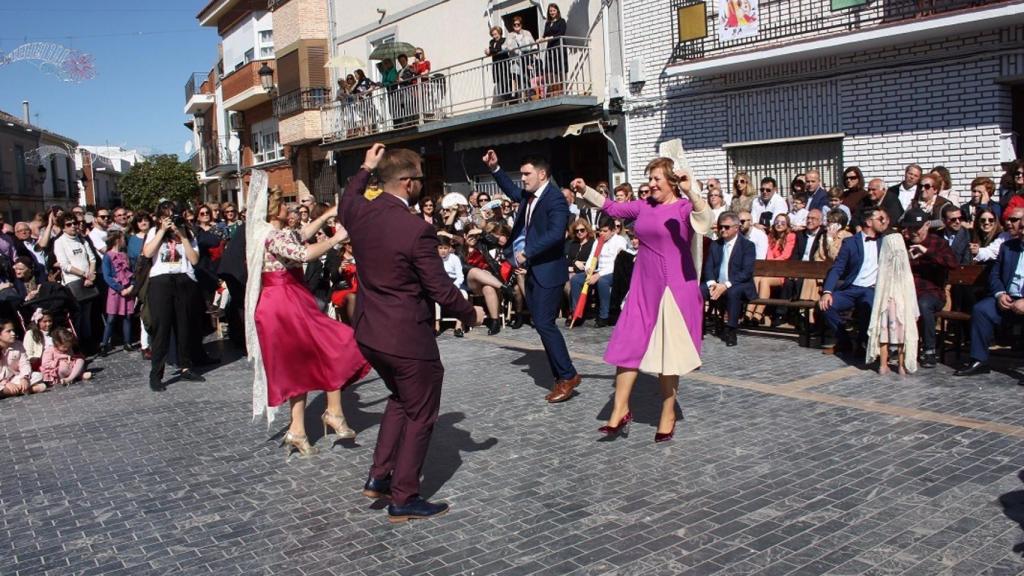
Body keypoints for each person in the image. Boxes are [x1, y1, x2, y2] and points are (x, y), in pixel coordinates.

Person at [339, 144, 482, 523]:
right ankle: (404, 496)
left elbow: (347, 200)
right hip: (406, 336)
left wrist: (365, 168)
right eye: (419, 178)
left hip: (371, 332)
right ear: (406, 183)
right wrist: (470, 313)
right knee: (421, 412)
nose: (422, 184)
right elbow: (440, 289)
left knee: (401, 398)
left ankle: (379, 475)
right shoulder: (416, 229)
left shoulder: (360, 213)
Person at [573, 157, 712, 442]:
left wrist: (692, 191)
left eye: (656, 179)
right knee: (628, 342)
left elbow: (706, 222)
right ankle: (620, 408)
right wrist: (586, 189)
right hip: (643, 286)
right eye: (649, 179)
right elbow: (612, 207)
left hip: (675, 289)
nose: (650, 184)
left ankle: (668, 412)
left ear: (672, 181)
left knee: (668, 356)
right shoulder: (643, 205)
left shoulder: (685, 207)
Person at [244, 179, 370, 457]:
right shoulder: (271, 236)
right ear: (272, 208)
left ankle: (299, 429)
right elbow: (304, 252)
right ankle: (332, 414)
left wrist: (327, 214)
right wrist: (336, 238)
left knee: (301, 364)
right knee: (336, 343)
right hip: (281, 304)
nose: (289, 208)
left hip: (290, 298)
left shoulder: (277, 231)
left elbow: (300, 235)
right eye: (284, 203)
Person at [486, 149, 581, 403]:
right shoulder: (530, 195)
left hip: (549, 271)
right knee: (541, 324)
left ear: (542, 174)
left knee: (545, 323)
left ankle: (568, 375)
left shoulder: (555, 200)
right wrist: (496, 169)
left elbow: (555, 234)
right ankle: (562, 375)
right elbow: (511, 190)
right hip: (534, 271)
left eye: (527, 174)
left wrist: (526, 252)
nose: (523, 179)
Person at [954, 206, 1024, 378]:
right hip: (1007, 298)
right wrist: (1000, 293)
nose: (1022, 231)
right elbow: (995, 275)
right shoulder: (1008, 247)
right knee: (981, 309)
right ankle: (979, 360)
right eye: (1021, 227)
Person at [142, 201, 204, 391]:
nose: (171, 220)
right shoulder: (153, 232)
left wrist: (183, 236)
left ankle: (185, 367)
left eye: (173, 215)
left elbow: (194, 259)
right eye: (166, 216)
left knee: (184, 325)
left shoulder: (188, 232)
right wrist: (162, 230)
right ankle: (156, 374)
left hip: (183, 279)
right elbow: (147, 253)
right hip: (161, 281)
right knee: (162, 329)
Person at [819, 207, 890, 355]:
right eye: (880, 219)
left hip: (872, 289)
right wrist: (827, 292)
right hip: (852, 288)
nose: (883, 222)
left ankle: (862, 343)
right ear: (869, 222)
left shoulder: (885, 241)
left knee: (867, 305)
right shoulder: (850, 242)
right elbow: (837, 268)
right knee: (826, 305)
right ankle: (844, 341)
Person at [900, 208, 957, 368]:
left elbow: (952, 264)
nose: (914, 232)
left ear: (926, 225)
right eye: (910, 228)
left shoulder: (937, 243)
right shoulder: (904, 244)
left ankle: (929, 350)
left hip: (933, 293)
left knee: (923, 305)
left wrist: (927, 252)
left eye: (917, 228)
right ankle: (894, 347)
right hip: (908, 291)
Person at [866, 233, 919, 375]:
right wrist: (914, 310)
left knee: (884, 333)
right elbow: (911, 291)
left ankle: (883, 365)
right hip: (901, 304)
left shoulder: (883, 269)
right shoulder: (905, 271)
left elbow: (879, 288)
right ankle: (901, 366)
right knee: (902, 335)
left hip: (886, 303)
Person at [703, 211, 756, 347]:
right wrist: (712, 283)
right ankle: (698, 325)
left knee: (733, 292)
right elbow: (708, 266)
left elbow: (746, 272)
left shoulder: (747, 246)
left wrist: (725, 285)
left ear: (736, 228)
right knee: (699, 290)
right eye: (721, 226)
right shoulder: (716, 244)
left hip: (738, 284)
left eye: (726, 227)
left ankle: (731, 330)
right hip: (717, 283)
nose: (722, 230)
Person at [568, 218, 628, 327]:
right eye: (600, 231)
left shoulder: (620, 241)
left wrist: (598, 275)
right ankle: (576, 313)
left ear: (613, 231)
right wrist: (588, 269)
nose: (602, 233)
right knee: (576, 280)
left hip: (613, 272)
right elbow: (592, 257)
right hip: (598, 270)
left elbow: (616, 263)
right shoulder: (598, 241)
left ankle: (603, 316)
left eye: (605, 231)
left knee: (602, 282)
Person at [53, 214, 97, 345]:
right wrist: (84, 274)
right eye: (68, 224)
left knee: (87, 314)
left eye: (74, 223)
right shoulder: (59, 242)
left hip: (88, 279)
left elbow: (92, 258)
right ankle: (77, 343)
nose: (73, 226)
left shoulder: (81, 239)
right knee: (77, 314)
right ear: (63, 227)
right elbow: (65, 265)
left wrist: (91, 274)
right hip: (73, 281)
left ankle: (89, 341)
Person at [750, 213, 796, 325]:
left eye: (782, 223)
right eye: (777, 222)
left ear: (787, 225)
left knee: (764, 280)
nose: (779, 224)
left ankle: (758, 313)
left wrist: (772, 264)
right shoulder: (770, 236)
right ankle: (749, 312)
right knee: (756, 278)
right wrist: (770, 265)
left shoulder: (791, 236)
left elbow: (785, 255)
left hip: (782, 271)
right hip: (770, 270)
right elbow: (768, 253)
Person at [99, 231, 135, 356]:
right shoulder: (108, 256)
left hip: (127, 289)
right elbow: (107, 276)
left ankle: (127, 342)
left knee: (127, 316)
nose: (124, 241)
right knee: (111, 317)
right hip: (115, 291)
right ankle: (104, 344)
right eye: (123, 238)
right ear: (117, 240)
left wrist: (131, 286)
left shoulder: (125, 255)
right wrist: (120, 288)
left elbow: (131, 272)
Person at [0, 320, 45, 397]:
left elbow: (25, 363)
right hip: (2, 382)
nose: (13, 334)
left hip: (14, 379)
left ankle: (14, 391)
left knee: (38, 375)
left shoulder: (18, 345)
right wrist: (5, 383)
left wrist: (24, 378)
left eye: (13, 330)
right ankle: (29, 390)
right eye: (8, 331)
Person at [437, 237, 468, 337]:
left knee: (464, 296)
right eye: (440, 248)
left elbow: (460, 276)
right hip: (440, 285)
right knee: (434, 298)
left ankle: (458, 326)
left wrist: (454, 287)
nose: (443, 251)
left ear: (449, 248)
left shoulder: (454, 258)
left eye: (445, 248)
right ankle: (436, 325)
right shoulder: (434, 259)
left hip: (454, 284)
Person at [540, 3, 567, 94]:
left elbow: (561, 33)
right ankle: (553, 89)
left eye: (554, 10)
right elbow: (545, 35)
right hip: (550, 48)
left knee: (559, 68)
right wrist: (541, 39)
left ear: (557, 11)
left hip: (559, 47)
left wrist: (551, 37)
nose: (552, 12)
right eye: (550, 11)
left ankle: (561, 90)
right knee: (549, 69)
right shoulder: (548, 23)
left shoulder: (561, 21)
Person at [485, 26, 511, 104]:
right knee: (499, 82)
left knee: (505, 82)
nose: (494, 36)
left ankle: (507, 99)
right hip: (496, 64)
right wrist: (487, 52)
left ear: (499, 33)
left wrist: (491, 51)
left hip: (504, 64)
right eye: (493, 35)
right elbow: (492, 51)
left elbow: (500, 48)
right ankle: (503, 100)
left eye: (496, 34)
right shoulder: (491, 42)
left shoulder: (504, 40)